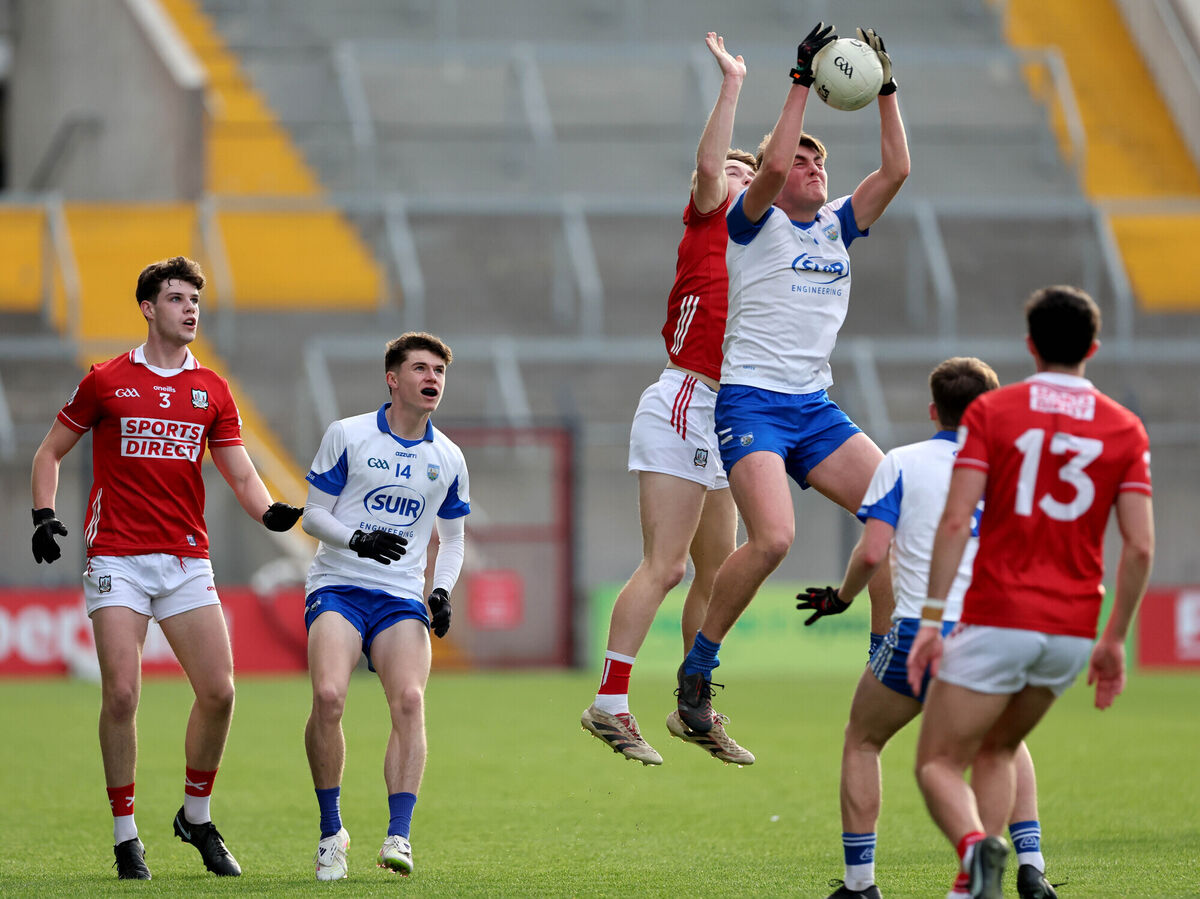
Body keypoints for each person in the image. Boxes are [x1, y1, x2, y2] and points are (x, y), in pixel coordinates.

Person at [29, 255, 304, 880]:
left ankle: (195, 817)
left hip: (185, 559)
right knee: (123, 692)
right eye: (177, 298)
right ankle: (127, 836)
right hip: (117, 557)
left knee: (220, 691)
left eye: (195, 300)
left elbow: (239, 470)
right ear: (149, 308)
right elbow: (51, 450)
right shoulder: (105, 379)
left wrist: (270, 515)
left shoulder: (212, 389)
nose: (190, 309)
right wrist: (44, 515)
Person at [674, 23, 909, 749]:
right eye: (800, 154)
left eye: (817, 159)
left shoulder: (838, 226)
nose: (808, 163)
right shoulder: (754, 222)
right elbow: (770, 164)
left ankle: (883, 656)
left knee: (893, 504)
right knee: (774, 538)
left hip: (813, 407)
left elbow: (896, 171)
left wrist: (887, 91)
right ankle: (699, 666)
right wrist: (800, 82)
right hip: (752, 402)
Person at [908, 286, 1154, 899]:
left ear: (1030, 345)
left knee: (937, 761)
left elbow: (956, 520)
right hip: (1071, 631)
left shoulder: (996, 413)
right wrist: (1116, 638)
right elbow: (1141, 547)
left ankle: (974, 849)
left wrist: (934, 621)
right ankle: (976, 887)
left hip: (998, 616)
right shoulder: (1125, 428)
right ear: (1092, 348)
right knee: (999, 748)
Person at [799, 358, 1057, 899]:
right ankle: (1029, 866)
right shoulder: (1015, 468)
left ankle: (861, 884)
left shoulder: (903, 462)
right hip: (1001, 630)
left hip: (925, 631)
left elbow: (873, 551)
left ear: (933, 410)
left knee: (863, 739)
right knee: (1002, 741)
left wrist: (840, 598)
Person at [579, 32, 756, 767]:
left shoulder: (762, 249)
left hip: (728, 411)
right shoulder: (710, 216)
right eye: (742, 172)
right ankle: (609, 700)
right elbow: (713, 165)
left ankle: (694, 704)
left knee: (720, 570)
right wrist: (735, 86)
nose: (746, 178)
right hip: (686, 397)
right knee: (669, 565)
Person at [301, 331, 469, 881]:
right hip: (339, 584)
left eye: (439, 371)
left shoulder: (448, 457)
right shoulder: (347, 435)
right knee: (328, 697)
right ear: (393, 378)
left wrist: (440, 590)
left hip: (399, 597)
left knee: (411, 701)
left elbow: (454, 538)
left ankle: (399, 835)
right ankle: (332, 834)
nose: (432, 379)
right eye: (420, 368)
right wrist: (357, 540)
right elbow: (313, 515)